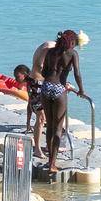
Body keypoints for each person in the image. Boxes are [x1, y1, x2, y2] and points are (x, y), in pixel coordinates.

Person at [39, 29, 88, 176]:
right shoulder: (72, 54)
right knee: (58, 129)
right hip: (59, 89)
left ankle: (49, 161)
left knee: (50, 126)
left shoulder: (50, 52)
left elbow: (43, 72)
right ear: (72, 42)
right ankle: (53, 164)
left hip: (46, 87)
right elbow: (77, 73)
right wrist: (81, 90)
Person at [13, 63, 45, 157]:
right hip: (39, 104)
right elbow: (30, 102)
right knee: (40, 121)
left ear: (25, 74)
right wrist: (28, 122)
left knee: (41, 121)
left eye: (17, 76)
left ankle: (41, 148)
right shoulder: (29, 84)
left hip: (43, 102)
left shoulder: (34, 81)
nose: (16, 79)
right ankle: (38, 149)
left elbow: (31, 102)